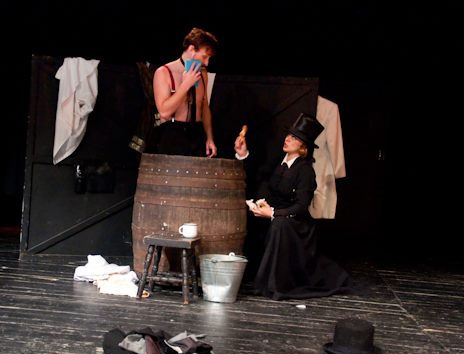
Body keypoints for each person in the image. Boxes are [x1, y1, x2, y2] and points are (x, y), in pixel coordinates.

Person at [234, 113, 352, 300]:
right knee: (248, 219)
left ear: (303, 146)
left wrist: (274, 213)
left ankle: (273, 283)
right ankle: (245, 275)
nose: (288, 139)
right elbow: (260, 176)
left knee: (279, 225)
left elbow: (301, 206)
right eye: (288, 135)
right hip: (274, 214)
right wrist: (243, 155)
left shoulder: (305, 170)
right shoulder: (279, 162)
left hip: (296, 223)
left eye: (294, 138)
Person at [149, 27, 218, 157]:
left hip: (197, 134)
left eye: (209, 58)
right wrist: (185, 85)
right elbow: (164, 112)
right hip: (172, 134)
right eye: (204, 57)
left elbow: (204, 107)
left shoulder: (203, 74)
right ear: (192, 49)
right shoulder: (164, 72)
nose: (206, 63)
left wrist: (209, 138)